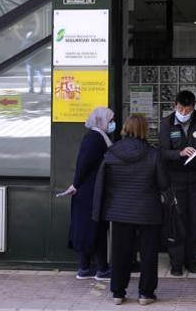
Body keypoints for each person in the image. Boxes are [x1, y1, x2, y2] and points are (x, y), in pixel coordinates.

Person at [92, 115, 169, 306]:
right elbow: (163, 183)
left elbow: (104, 183)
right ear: (144, 130)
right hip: (148, 211)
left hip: (119, 210)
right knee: (149, 254)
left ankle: (118, 292)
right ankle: (145, 294)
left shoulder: (112, 152)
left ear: (125, 128)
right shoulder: (153, 154)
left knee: (120, 254)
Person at [159, 90, 196, 276]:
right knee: (177, 221)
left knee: (194, 221)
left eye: (188, 109)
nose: (184, 113)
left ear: (194, 107)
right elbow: (162, 153)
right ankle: (176, 262)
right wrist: (179, 153)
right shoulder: (166, 123)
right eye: (181, 109)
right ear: (175, 105)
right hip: (176, 180)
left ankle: (192, 260)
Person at [67, 107, 116, 281]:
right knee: (97, 228)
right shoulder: (95, 139)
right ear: (100, 120)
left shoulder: (96, 137)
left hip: (88, 190)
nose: (112, 124)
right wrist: (76, 184)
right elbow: (84, 165)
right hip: (91, 191)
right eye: (110, 121)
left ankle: (85, 267)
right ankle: (101, 268)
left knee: (88, 228)